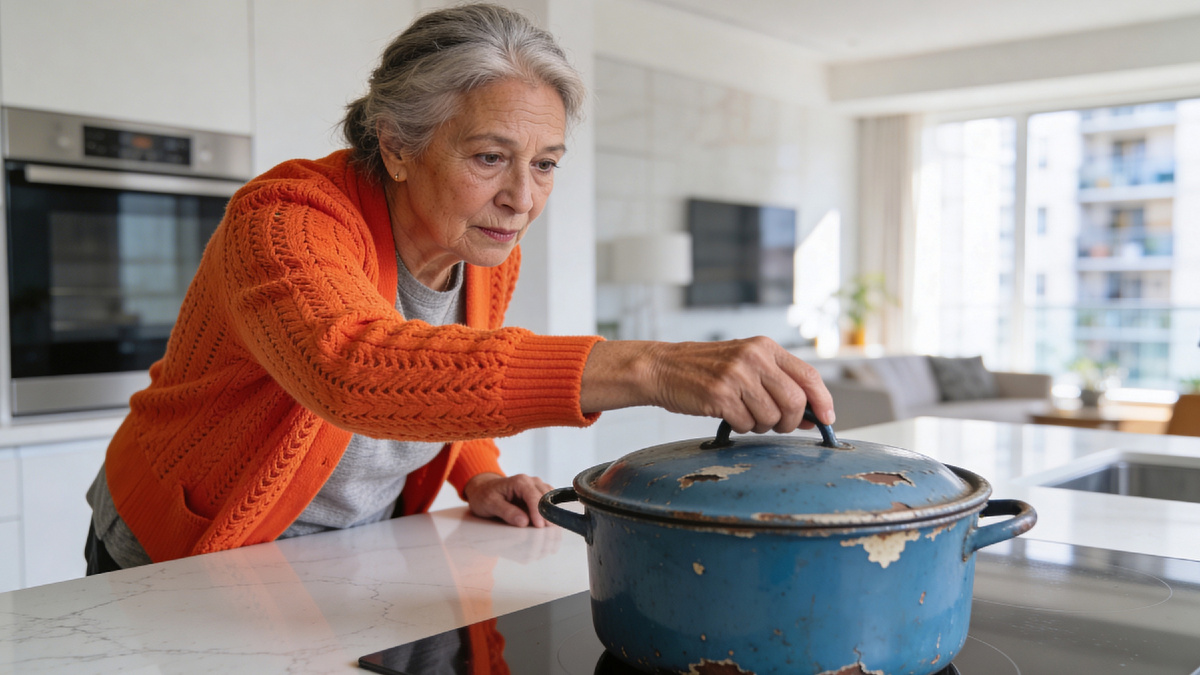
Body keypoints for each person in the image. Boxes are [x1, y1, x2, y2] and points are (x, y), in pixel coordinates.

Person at [84, 2, 834, 575]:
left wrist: (478, 473)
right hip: (184, 548)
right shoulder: (284, 218)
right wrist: (648, 365)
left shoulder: (483, 246)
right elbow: (355, 367)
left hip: (342, 553)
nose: (521, 197)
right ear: (397, 147)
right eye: (489, 156)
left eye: (545, 163)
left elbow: (448, 368)